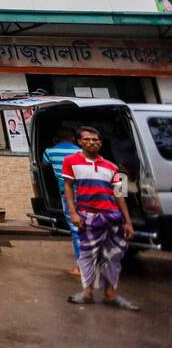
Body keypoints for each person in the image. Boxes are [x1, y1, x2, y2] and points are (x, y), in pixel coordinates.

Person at [62, 126, 139, 310]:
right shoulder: (71, 161)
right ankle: (87, 293)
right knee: (88, 256)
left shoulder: (113, 167)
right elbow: (68, 187)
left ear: (101, 143)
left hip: (112, 217)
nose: (92, 143)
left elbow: (120, 195)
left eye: (96, 140)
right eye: (87, 139)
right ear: (79, 142)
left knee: (112, 256)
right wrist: (72, 212)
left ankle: (111, 294)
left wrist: (127, 221)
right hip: (87, 215)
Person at [43, 128, 83, 275]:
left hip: (68, 193)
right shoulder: (81, 152)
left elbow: (44, 165)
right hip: (86, 192)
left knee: (76, 229)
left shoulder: (50, 151)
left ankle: (81, 267)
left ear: (56, 139)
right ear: (73, 138)